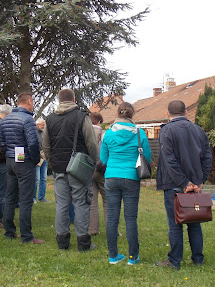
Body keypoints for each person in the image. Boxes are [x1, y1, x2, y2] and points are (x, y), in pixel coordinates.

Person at [156, 100, 212, 270]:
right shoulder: (199, 130)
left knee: (175, 223)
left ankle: (174, 260)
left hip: (175, 183)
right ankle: (197, 258)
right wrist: (199, 179)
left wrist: (187, 182)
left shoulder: (167, 130)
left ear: (168, 113)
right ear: (186, 112)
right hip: (191, 183)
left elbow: (169, 160)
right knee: (194, 222)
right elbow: (207, 158)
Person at [43, 88, 98, 251]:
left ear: (59, 101)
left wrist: (51, 161)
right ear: (74, 100)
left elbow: (45, 145)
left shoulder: (50, 119)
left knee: (61, 204)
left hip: (59, 168)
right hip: (79, 168)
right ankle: (83, 242)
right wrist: (92, 163)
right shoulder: (82, 117)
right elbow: (92, 144)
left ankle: (62, 242)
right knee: (81, 203)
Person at [100, 102, 151, 265]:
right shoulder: (139, 133)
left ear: (118, 113)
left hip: (111, 177)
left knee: (112, 218)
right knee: (130, 219)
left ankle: (113, 256)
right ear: (132, 115)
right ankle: (132, 257)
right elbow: (147, 156)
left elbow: (103, 159)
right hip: (131, 178)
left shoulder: (108, 134)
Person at [0, 92, 44, 244]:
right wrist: (35, 160)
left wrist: (8, 153)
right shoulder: (28, 119)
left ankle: (9, 231)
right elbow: (33, 143)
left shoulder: (6, 119)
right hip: (24, 161)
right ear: (29, 101)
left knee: (10, 197)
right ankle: (26, 235)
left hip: (10, 160)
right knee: (25, 200)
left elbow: (1, 141)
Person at [88, 112, 107, 235]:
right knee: (107, 201)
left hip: (88, 169)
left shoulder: (85, 133)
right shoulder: (105, 134)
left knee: (92, 201)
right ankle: (111, 229)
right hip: (102, 169)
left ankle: (93, 229)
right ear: (100, 122)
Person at [34, 118, 50, 203]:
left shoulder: (44, 133)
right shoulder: (34, 133)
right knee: (36, 179)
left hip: (44, 158)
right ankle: (33, 198)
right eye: (42, 125)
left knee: (43, 178)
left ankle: (41, 197)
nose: (44, 126)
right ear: (37, 125)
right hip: (37, 158)